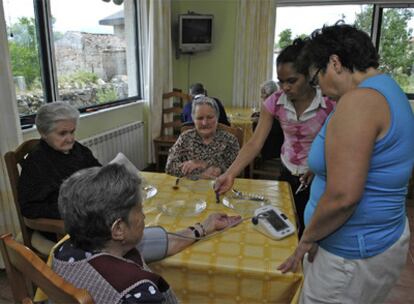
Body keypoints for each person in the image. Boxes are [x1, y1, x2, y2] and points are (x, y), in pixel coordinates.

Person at [277, 23, 414, 303]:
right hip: (381, 236)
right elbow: (373, 160)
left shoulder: (358, 102)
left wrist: (308, 238)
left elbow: (343, 197)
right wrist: (320, 171)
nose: (321, 91)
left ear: (335, 63)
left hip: (349, 255)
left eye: (316, 80)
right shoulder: (388, 89)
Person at [53, 164, 241, 303]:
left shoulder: (65, 250)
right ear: (118, 229)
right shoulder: (136, 293)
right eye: (139, 209)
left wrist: (204, 227)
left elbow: (157, 242)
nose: (143, 216)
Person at [215, 39, 336, 237]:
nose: (285, 87)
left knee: (312, 230)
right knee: (286, 224)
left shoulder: (329, 102)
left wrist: (320, 167)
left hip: (319, 176)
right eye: (281, 81)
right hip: (288, 171)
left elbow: (336, 144)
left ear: (309, 76)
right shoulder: (275, 102)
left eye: (292, 81)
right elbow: (255, 142)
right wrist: (230, 173)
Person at [18, 102, 101, 222]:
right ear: (44, 133)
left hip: (90, 209)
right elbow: (29, 207)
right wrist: (73, 209)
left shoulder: (77, 149)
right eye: (62, 133)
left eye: (72, 132)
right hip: (62, 223)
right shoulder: (37, 162)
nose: (70, 139)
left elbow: (98, 172)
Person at [166, 96, 239, 179]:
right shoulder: (185, 138)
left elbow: (235, 170)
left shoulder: (230, 140)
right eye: (200, 118)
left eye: (210, 117)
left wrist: (204, 164)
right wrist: (198, 176)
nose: (205, 123)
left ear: (217, 117)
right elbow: (170, 167)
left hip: (221, 188)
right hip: (191, 189)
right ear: (193, 120)